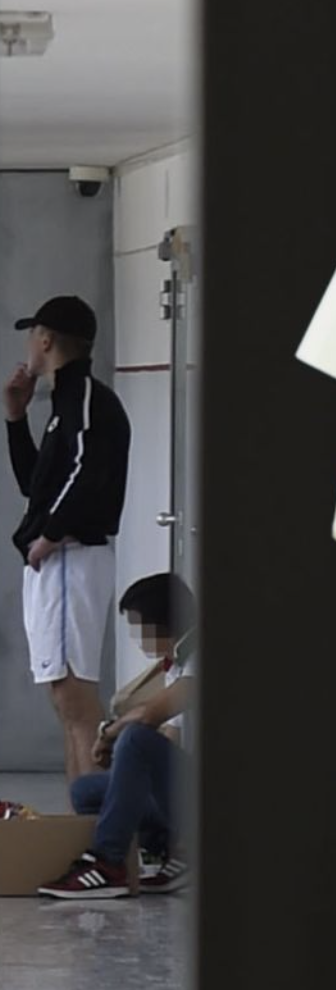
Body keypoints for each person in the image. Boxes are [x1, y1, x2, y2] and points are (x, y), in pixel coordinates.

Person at [3, 295, 131, 784]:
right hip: (58, 558)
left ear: (46, 339)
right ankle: (82, 813)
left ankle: (98, 820)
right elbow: (36, 486)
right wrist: (16, 419)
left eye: (31, 335)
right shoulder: (65, 402)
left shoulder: (85, 397)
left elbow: (88, 470)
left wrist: (51, 535)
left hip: (71, 556)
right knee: (64, 697)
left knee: (75, 698)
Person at [38, 571, 196, 899]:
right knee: (86, 790)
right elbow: (170, 737)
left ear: (164, 622)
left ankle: (108, 863)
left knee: (135, 736)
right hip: (188, 789)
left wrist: (109, 734)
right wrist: (125, 763)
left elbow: (150, 715)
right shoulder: (177, 662)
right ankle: (168, 849)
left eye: (140, 628)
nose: (139, 639)